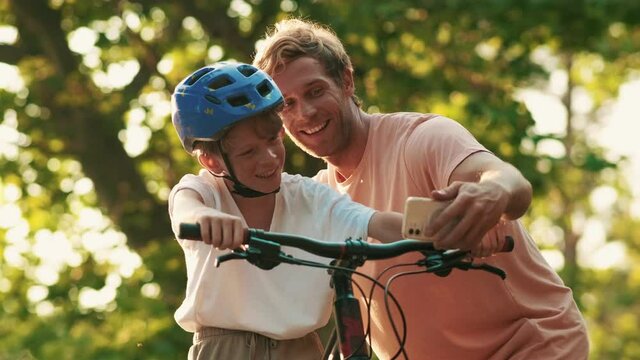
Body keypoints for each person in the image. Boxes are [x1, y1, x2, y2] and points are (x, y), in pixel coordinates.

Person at [253, 18, 590, 359]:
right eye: (287, 104)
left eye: (315, 91)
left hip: (528, 347)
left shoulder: (422, 139)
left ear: (346, 81)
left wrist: (492, 194)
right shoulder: (317, 197)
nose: (305, 113)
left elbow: (509, 183)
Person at [168, 61, 409, 360]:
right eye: (248, 152)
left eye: (272, 140)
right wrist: (207, 220)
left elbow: (375, 222)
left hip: (302, 349)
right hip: (226, 349)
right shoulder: (204, 193)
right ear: (212, 163)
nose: (269, 159)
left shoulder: (307, 196)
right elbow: (185, 209)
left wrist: (442, 230)